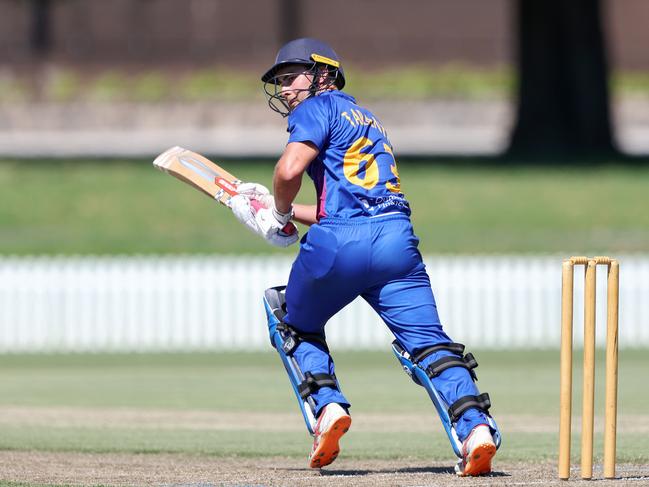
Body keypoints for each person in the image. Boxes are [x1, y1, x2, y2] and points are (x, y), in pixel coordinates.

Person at [230, 38, 501, 476]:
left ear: (323, 74)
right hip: (396, 242)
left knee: (289, 317)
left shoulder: (318, 108)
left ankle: (327, 408)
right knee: (429, 343)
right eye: (279, 81)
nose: (284, 89)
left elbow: (288, 171)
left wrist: (277, 213)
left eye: (290, 76)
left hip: (340, 243)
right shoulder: (369, 120)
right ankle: (476, 430)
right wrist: (273, 209)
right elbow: (345, 205)